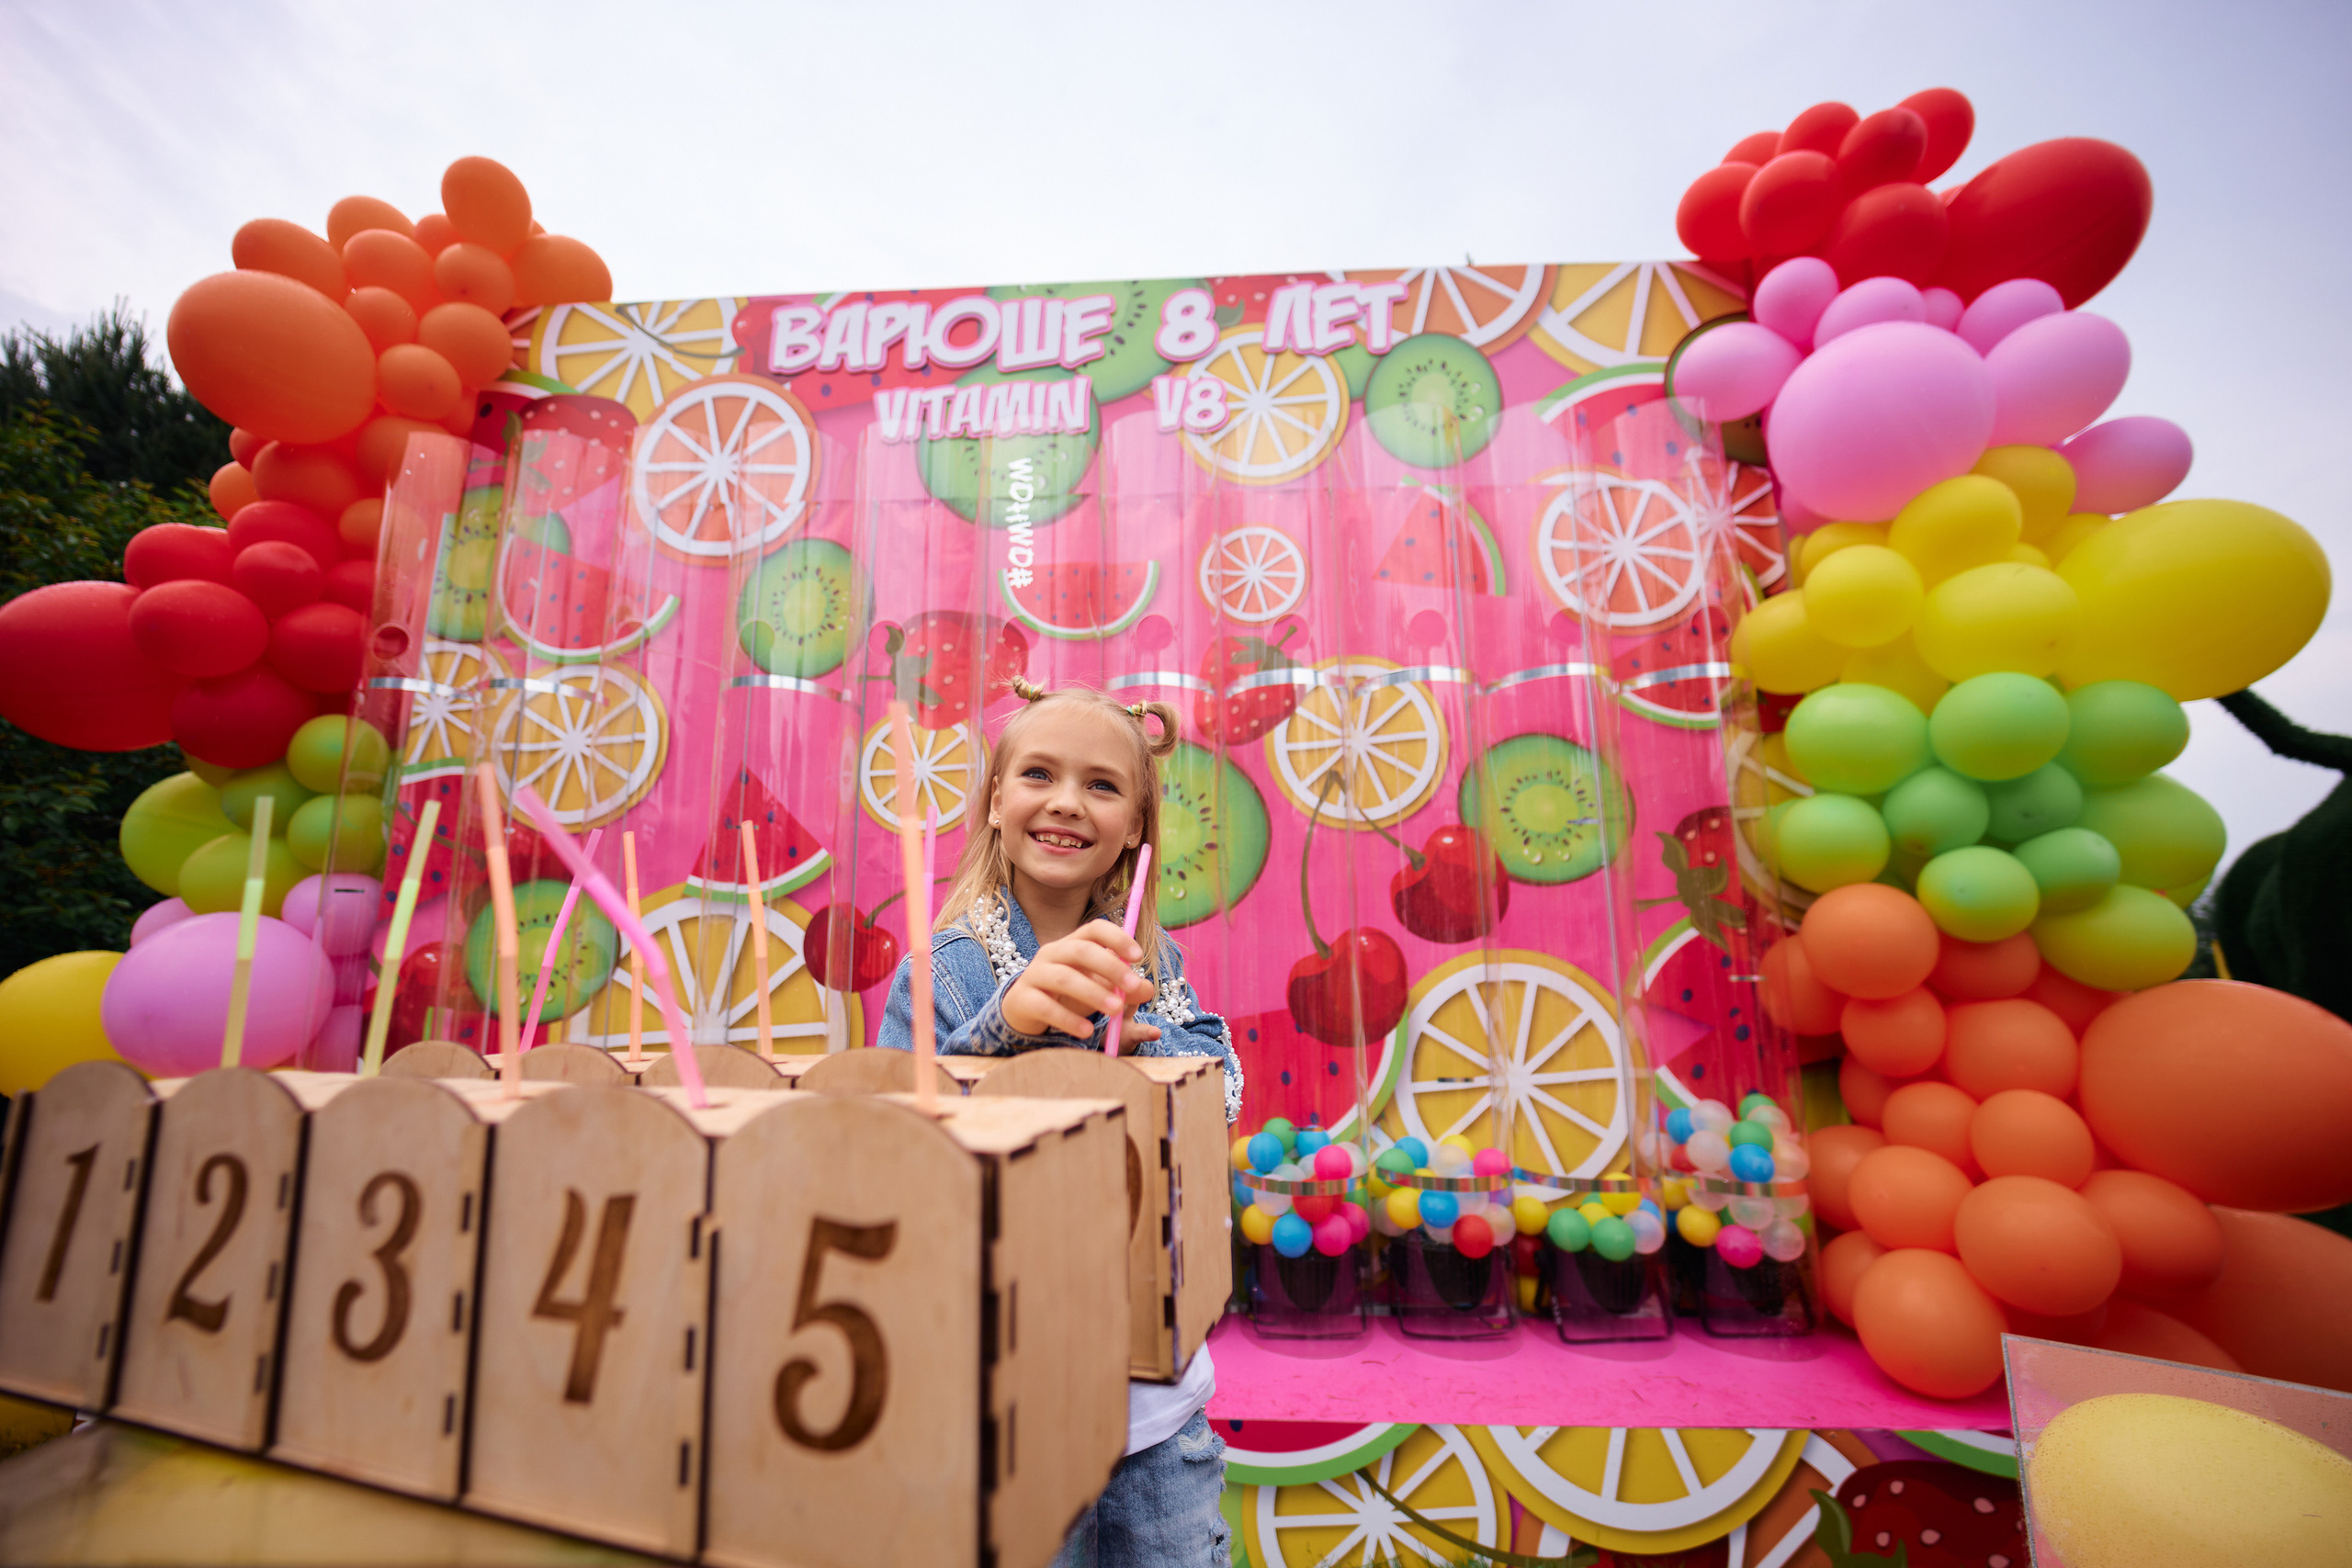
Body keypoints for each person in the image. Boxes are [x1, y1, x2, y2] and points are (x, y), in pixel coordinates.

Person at [878, 679, 1241, 1567]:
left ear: (1135, 829)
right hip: (1000, 1415)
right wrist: (1007, 1028)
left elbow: (1220, 1094)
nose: (1068, 802)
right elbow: (895, 1159)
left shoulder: (1152, 962)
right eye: (1039, 774)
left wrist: (1143, 1044)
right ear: (995, 802)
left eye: (1103, 785)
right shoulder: (940, 970)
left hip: (1156, 1424)